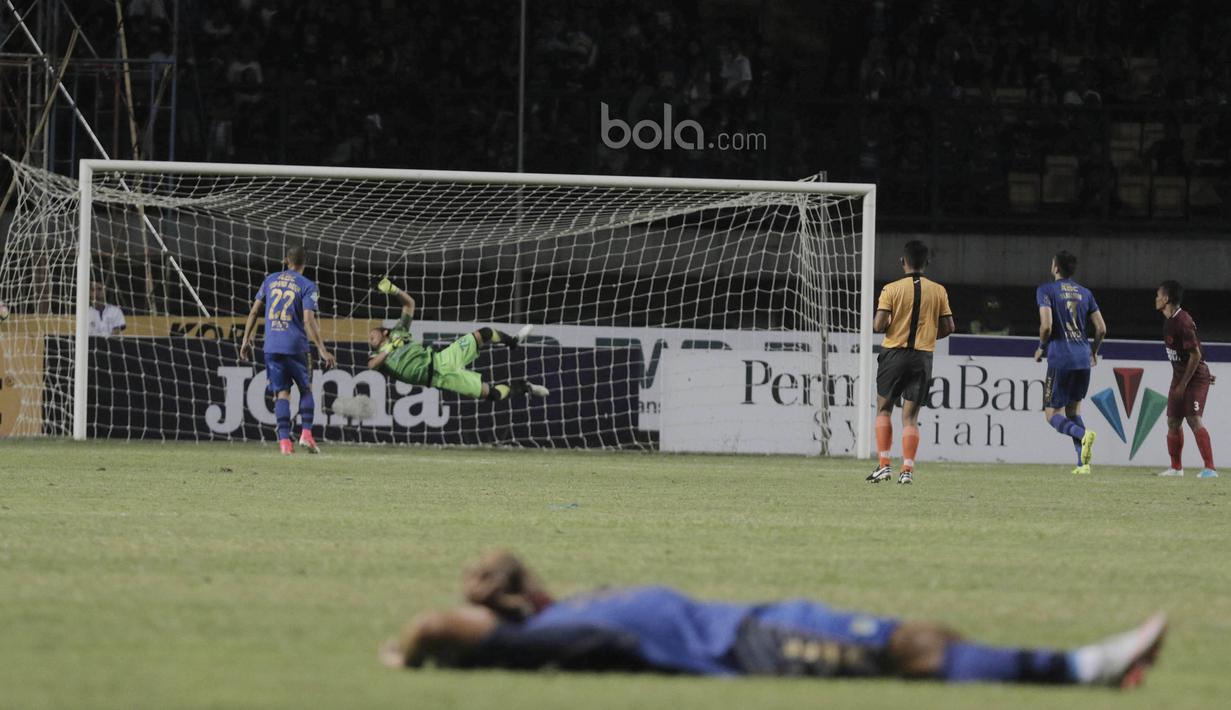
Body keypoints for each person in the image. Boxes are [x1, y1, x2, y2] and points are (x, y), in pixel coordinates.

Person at [378, 550, 1166, 689]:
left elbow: (520, 600)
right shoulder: (531, 641)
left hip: (755, 619)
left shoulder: (553, 613)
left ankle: (1089, 667)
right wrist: (405, 653)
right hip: (747, 645)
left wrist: (518, 579)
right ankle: (1084, 669)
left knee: (921, 637)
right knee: (914, 648)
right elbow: (426, 629)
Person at [368, 278, 548, 402]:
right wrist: (390, 348)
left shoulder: (400, 331)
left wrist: (392, 289)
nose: (370, 338)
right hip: (441, 378)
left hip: (443, 359)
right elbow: (372, 366)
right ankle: (525, 387)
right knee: (491, 394)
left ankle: (513, 341)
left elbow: (410, 304)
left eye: (372, 335)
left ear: (384, 332)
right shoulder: (378, 355)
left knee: (484, 333)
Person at [868, 241, 955, 485]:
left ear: (902, 261)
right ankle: (907, 470)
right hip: (922, 357)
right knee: (911, 417)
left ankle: (884, 465)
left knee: (884, 409)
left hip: (894, 354)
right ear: (927, 263)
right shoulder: (939, 291)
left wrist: (895, 324)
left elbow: (878, 325)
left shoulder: (891, 289)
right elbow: (949, 327)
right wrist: (926, 335)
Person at [239, 246, 336, 455]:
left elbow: (255, 310)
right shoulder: (308, 285)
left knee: (281, 393)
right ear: (305, 263)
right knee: (306, 389)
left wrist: (246, 340)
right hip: (295, 346)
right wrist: (321, 348)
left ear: (286, 260)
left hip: (272, 346)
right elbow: (309, 319)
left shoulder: (270, 279)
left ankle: (284, 442)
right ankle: (306, 435)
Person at [1034, 251, 1106, 475]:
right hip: (1083, 357)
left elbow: (1046, 326)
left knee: (1052, 414)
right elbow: (1102, 328)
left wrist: (1041, 348)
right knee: (1074, 410)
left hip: (1061, 357)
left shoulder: (1046, 290)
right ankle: (1082, 464)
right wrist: (1093, 352)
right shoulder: (1086, 293)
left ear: (1055, 268)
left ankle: (1083, 435)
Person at [1154, 280, 1217, 478]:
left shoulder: (1183, 321)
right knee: (1173, 421)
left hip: (1193, 379)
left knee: (1193, 419)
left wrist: (1189, 380)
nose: (1156, 299)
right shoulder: (1170, 321)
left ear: (1166, 299)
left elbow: (1195, 354)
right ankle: (1176, 468)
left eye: (1158, 295)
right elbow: (1193, 349)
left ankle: (1210, 468)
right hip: (1181, 377)